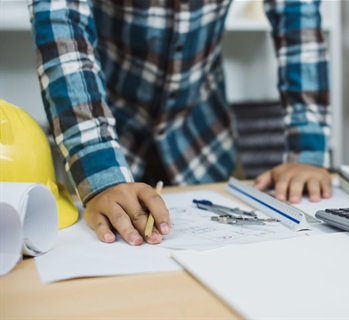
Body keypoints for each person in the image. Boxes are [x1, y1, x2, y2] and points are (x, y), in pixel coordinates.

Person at [28, 0, 332, 246]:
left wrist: (307, 150)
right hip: (104, 133)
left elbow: (299, 18)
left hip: (205, 137)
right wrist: (99, 173)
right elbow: (60, 24)